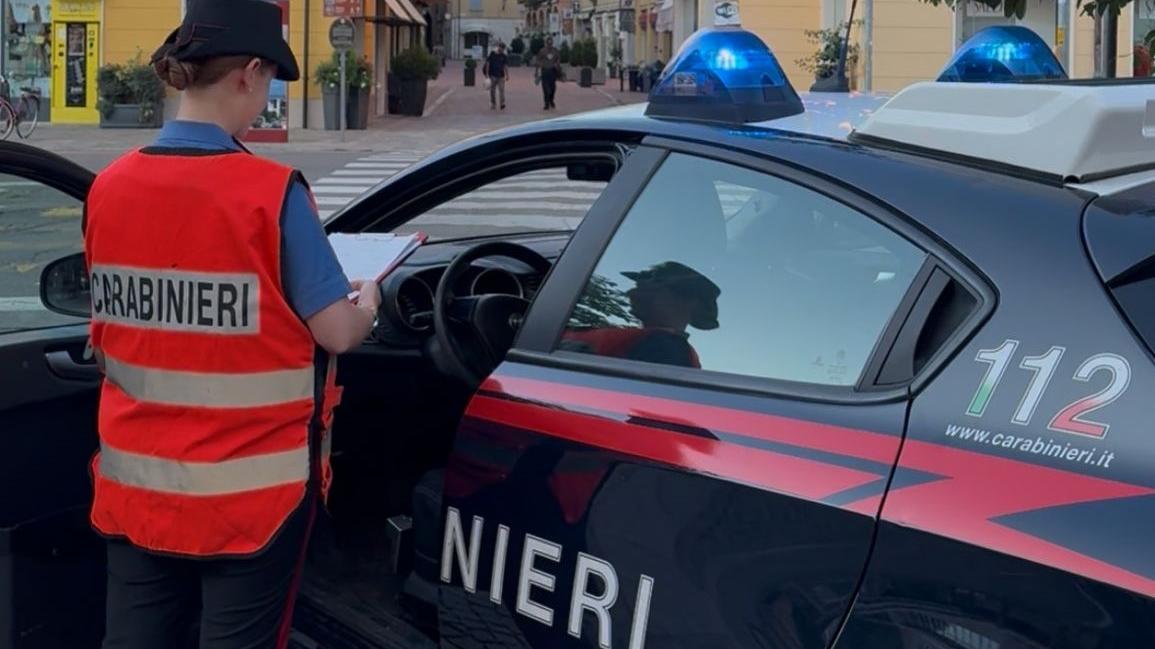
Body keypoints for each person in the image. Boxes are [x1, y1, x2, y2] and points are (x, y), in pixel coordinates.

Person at [82, 2, 381, 647]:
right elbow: (337, 334)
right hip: (252, 504)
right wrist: (371, 302)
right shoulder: (268, 193)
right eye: (271, 79)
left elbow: (112, 341)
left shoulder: (108, 188)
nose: (267, 94)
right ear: (249, 73)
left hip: (139, 490)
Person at [561, 261, 721, 368]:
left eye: (646, 286)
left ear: (688, 301)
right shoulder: (657, 344)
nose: (631, 293)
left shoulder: (665, 350)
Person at [536, 36, 561, 110]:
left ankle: (551, 99)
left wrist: (557, 64)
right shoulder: (542, 51)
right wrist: (537, 70)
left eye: (551, 43)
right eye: (548, 43)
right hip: (545, 71)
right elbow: (538, 60)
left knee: (553, 88)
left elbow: (558, 59)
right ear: (546, 43)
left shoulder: (555, 51)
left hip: (552, 71)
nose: (549, 45)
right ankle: (546, 104)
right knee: (545, 88)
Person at [483, 41, 509, 110]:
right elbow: (488, 64)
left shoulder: (504, 56)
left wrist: (507, 75)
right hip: (493, 75)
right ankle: (493, 103)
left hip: (501, 76)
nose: (502, 49)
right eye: (501, 47)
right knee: (492, 90)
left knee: (502, 90)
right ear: (498, 47)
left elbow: (505, 66)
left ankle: (502, 103)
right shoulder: (492, 54)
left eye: (503, 48)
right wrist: (487, 74)